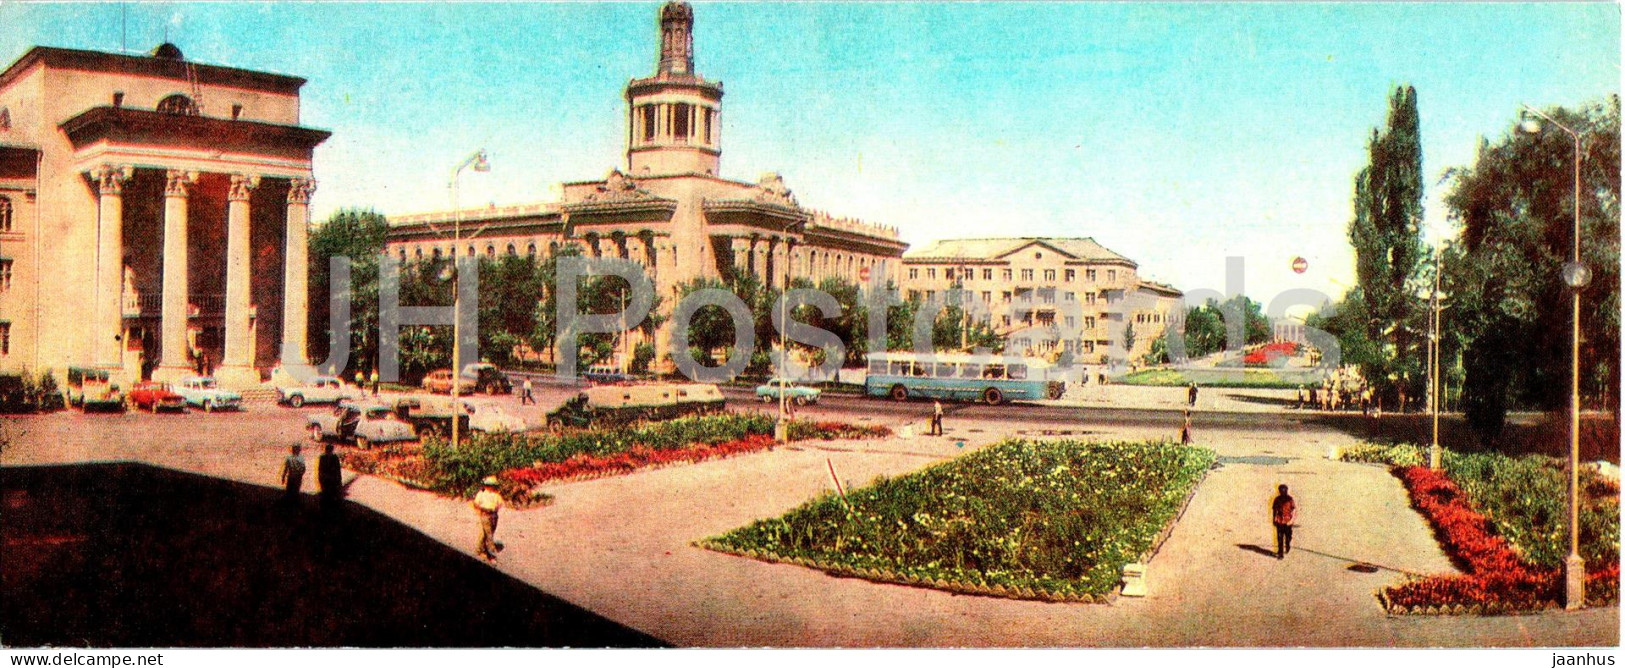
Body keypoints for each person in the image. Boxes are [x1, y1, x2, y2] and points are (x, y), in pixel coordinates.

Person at [473, 475, 505, 561]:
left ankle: (480, 549)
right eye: (488, 485)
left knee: (488, 532)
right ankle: (489, 551)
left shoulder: (496, 495)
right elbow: (476, 504)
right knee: (488, 534)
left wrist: (494, 510)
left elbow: (500, 504)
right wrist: (483, 509)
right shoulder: (481, 494)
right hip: (485, 514)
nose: (490, 487)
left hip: (493, 515)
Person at [1271, 484, 1296, 559]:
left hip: (1288, 521)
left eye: (1283, 491)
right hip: (1279, 520)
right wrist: (1274, 519)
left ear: (1286, 491)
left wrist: (1292, 520)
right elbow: (1274, 510)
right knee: (1280, 537)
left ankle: (1287, 544)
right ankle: (1280, 553)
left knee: (1288, 536)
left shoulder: (1290, 499)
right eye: (1281, 491)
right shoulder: (1277, 499)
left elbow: (1294, 509)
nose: (1282, 492)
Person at [318, 443, 343, 512]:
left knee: (328, 496)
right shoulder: (333, 458)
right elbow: (338, 470)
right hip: (330, 480)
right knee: (330, 496)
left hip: (329, 480)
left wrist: (321, 479)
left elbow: (320, 470)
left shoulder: (324, 458)